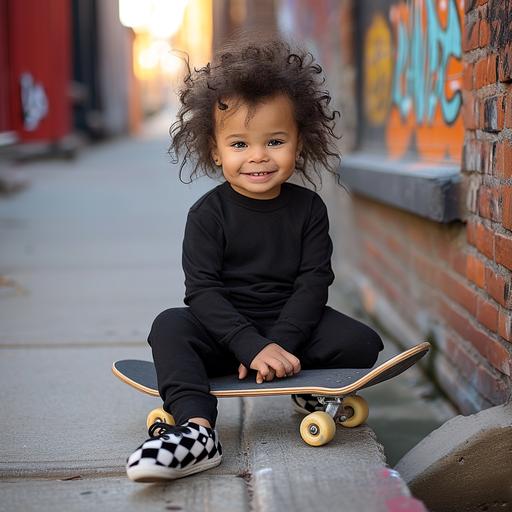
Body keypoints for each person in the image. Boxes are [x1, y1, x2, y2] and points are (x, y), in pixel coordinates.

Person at [126, 35, 384, 483]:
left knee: (364, 343)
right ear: (215, 150)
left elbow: (312, 282)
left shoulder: (309, 209)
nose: (258, 156)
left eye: (275, 140)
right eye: (240, 144)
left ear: (299, 143)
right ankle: (197, 430)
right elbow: (202, 292)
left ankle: (301, 386)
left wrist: (279, 343)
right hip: (222, 331)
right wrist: (249, 345)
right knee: (169, 326)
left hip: (291, 327)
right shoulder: (208, 215)